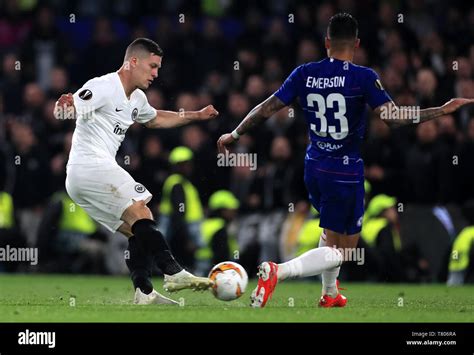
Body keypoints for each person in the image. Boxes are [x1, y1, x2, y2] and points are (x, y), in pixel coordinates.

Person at [217, 13, 474, 308]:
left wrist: (234, 134)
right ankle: (278, 271)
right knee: (343, 250)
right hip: (345, 170)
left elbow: (266, 109)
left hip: (313, 166)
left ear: (326, 42)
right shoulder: (363, 76)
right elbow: (393, 118)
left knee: (329, 233)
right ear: (357, 43)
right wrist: (440, 110)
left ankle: (329, 294)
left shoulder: (304, 73)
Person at [54, 38, 219, 305]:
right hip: (91, 165)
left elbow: (155, 118)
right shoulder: (104, 86)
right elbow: (69, 107)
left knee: (136, 229)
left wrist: (196, 115)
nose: (156, 74)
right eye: (152, 66)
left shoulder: (138, 98)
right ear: (133, 62)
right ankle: (173, 271)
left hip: (81, 178)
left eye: (158, 68)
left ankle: (143, 292)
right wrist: (64, 106)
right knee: (141, 210)